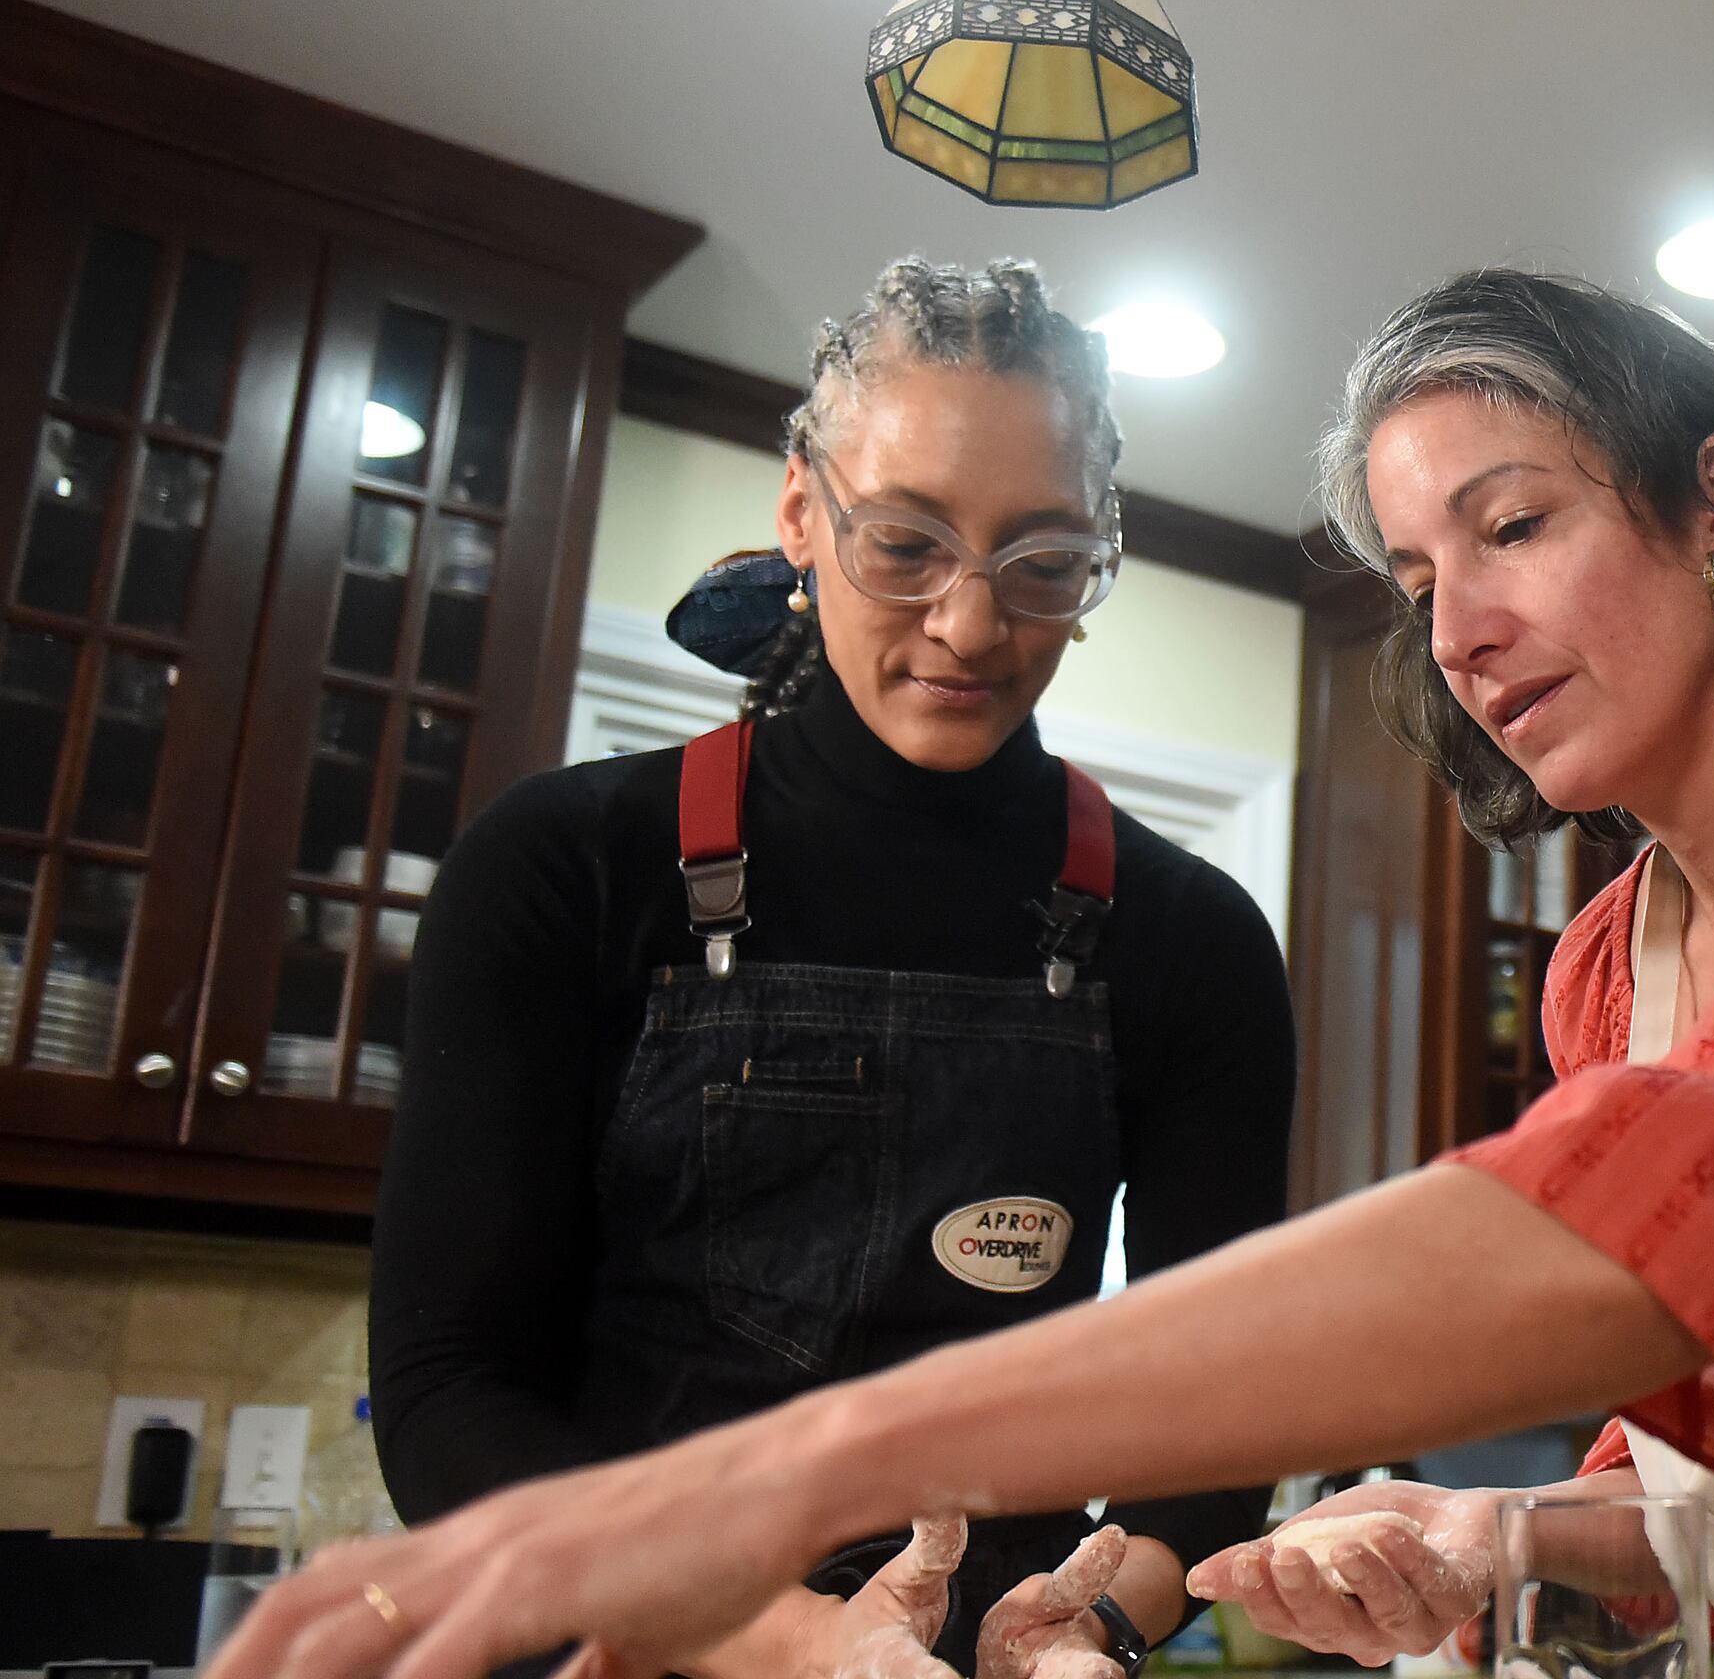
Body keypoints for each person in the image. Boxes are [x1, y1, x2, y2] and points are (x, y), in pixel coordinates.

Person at [233, 269, 1714, 1679]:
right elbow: (1703, 1491)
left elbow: (1691, 1230)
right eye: (1415, 573)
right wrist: (1484, 1530)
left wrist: (787, 1479)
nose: (1459, 630)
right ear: (805, 521)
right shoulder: (1606, 972)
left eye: (1515, 525)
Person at [365, 259, 1299, 1679]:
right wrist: (795, 1643)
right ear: (802, 511)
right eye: (906, 545)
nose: (971, 626)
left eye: (1044, 563)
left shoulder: (1190, 940)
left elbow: (1220, 1427)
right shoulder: (564, 868)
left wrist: (1096, 1630)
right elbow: (448, 1396)